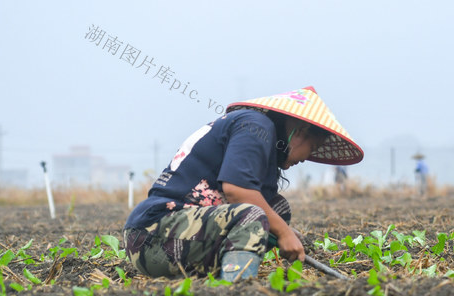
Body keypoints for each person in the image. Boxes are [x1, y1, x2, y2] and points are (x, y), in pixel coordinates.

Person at [122, 86, 363, 282]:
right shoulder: (256, 126)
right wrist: (284, 232)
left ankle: (217, 281)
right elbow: (236, 191)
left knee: (276, 210)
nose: (305, 159)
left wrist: (281, 230)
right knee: (255, 215)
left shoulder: (260, 134)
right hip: (152, 234)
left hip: (182, 233)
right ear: (300, 131)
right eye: (313, 148)